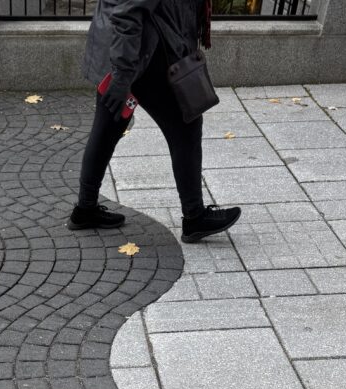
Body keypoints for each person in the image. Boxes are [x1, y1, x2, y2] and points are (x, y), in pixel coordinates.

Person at [69, 0, 241, 244]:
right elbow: (128, 12)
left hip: (129, 48)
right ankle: (194, 216)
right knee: (186, 125)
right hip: (141, 53)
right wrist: (121, 74)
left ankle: (85, 208)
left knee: (108, 125)